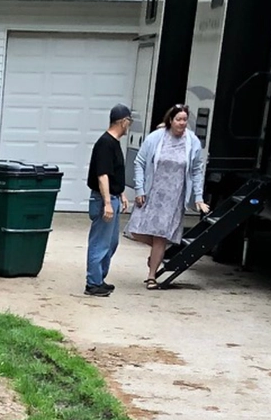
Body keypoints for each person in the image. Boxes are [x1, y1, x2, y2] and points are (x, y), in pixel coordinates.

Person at [127, 105, 209, 289]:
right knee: (136, 231)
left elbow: (197, 170)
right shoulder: (156, 137)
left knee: (161, 236)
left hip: (174, 196)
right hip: (152, 192)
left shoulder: (192, 142)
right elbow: (139, 162)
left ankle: (151, 276)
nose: (182, 123)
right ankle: (158, 252)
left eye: (184, 120)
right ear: (170, 120)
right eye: (178, 119)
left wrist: (198, 197)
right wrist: (139, 189)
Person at [85, 105, 132, 297]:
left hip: (113, 198)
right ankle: (92, 283)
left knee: (111, 243)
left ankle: (100, 279)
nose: (129, 125)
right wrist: (106, 203)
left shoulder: (114, 142)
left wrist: (120, 193)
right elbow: (102, 175)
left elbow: (113, 174)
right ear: (123, 121)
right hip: (104, 200)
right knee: (100, 242)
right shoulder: (105, 143)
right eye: (129, 121)